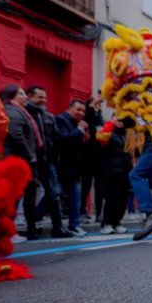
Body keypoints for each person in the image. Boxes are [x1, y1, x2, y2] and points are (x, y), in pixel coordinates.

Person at [25, 86, 71, 238]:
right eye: (39, 97)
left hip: (49, 162)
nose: (43, 100)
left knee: (54, 194)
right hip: (31, 162)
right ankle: (31, 229)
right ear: (29, 96)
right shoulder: (25, 114)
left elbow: (57, 139)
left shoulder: (49, 117)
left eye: (44, 97)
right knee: (29, 195)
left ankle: (58, 228)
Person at [0, 84, 42, 241]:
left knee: (19, 198)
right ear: (12, 96)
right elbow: (17, 135)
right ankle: (8, 233)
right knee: (12, 199)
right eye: (22, 94)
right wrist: (30, 155)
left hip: (20, 161)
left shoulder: (21, 111)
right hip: (16, 162)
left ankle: (11, 232)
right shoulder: (12, 111)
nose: (25, 97)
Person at [55, 100, 89, 237]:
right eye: (78, 109)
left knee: (56, 194)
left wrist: (85, 137)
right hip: (62, 164)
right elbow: (64, 140)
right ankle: (74, 224)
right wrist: (80, 130)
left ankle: (37, 217)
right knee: (60, 194)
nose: (81, 113)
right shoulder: (61, 119)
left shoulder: (78, 124)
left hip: (75, 166)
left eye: (83, 111)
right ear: (70, 108)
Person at [96, 118, 130, 234]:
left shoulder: (127, 134)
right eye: (118, 120)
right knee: (111, 198)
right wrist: (110, 123)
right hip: (111, 171)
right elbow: (101, 138)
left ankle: (116, 222)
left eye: (122, 120)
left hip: (124, 172)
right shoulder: (109, 133)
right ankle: (106, 223)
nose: (120, 122)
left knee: (122, 199)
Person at [80, 94, 104, 222]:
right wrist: (92, 106)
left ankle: (99, 212)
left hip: (100, 157)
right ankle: (82, 210)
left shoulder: (100, 118)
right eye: (94, 103)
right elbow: (89, 116)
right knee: (86, 185)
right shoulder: (87, 117)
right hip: (88, 156)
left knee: (100, 186)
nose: (97, 105)